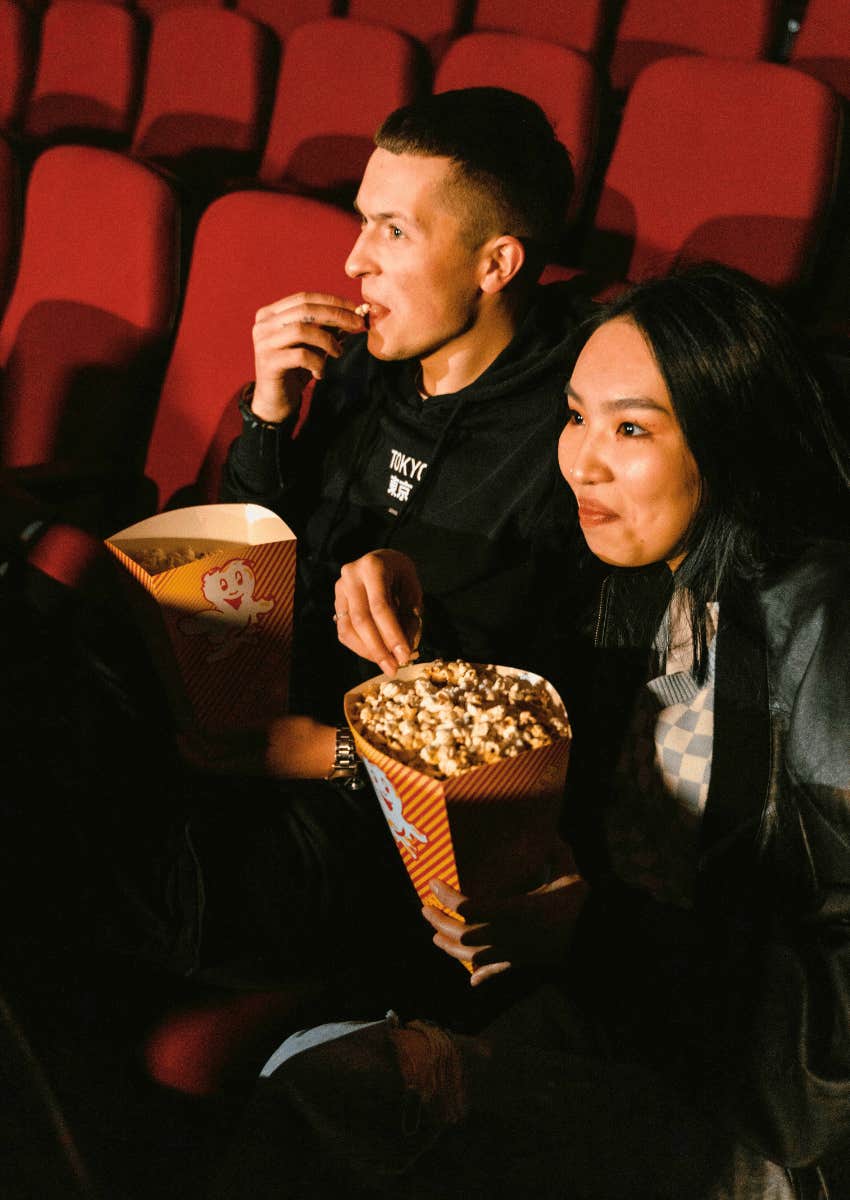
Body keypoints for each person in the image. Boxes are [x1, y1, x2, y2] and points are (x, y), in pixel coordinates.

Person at [212, 262, 850, 1199]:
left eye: (630, 427)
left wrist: (586, 932)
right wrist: (412, 605)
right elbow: (525, 742)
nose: (580, 459)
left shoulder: (823, 631)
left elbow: (825, 1057)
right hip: (602, 1015)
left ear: (732, 438)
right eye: (576, 415)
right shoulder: (631, 579)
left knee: (331, 1105)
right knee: (305, 1069)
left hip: (746, 1112)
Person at [184, 87, 597, 997]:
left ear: (496, 264)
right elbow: (238, 579)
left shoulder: (570, 433)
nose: (354, 259)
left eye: (392, 231)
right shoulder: (363, 371)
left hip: (372, 833)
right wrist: (266, 421)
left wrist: (312, 753)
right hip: (248, 739)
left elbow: (514, 748)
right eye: (361, 223)